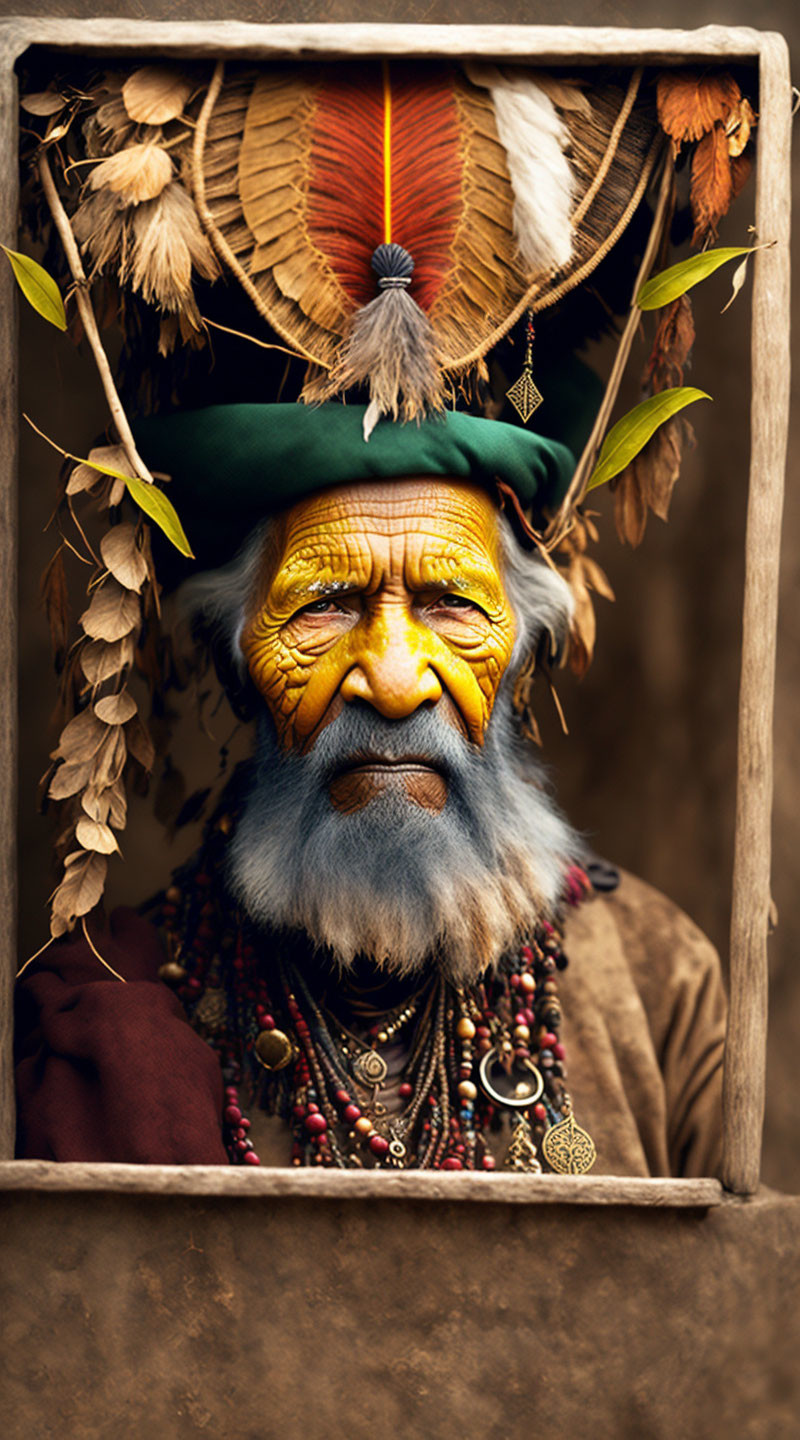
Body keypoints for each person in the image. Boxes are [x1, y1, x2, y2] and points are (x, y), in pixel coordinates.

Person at [14, 404, 726, 1176]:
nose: (393, 682)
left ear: (519, 658)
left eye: (450, 603)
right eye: (325, 604)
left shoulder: (659, 979)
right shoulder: (117, 997)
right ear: (237, 664)